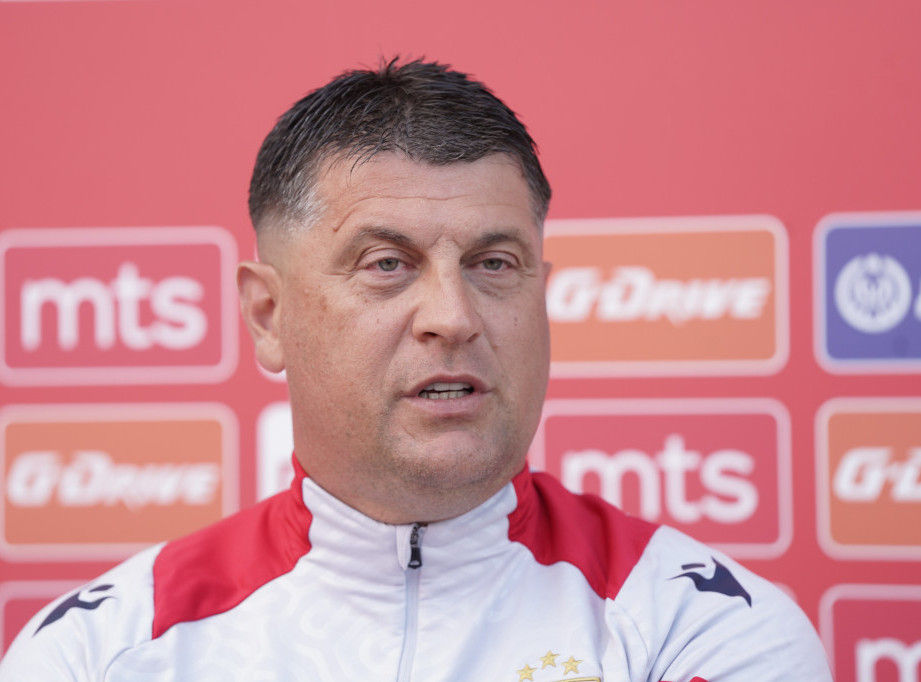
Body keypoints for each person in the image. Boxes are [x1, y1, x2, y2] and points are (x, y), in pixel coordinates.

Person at [0, 58, 832, 681]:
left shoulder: (697, 630)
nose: (453, 316)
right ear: (268, 315)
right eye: (386, 264)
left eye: (493, 264)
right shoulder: (103, 652)